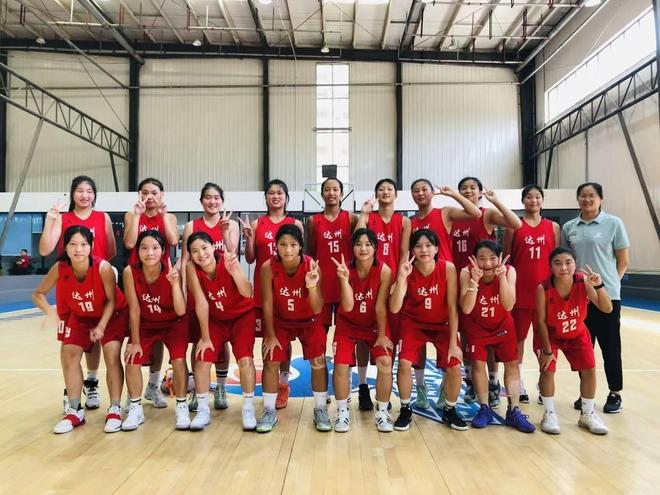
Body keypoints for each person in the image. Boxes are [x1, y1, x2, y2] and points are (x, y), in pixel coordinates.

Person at [32, 226, 127, 434]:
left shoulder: (102, 268)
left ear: (91, 246)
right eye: (73, 244)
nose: (78, 249)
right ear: (65, 247)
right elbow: (38, 294)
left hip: (112, 315)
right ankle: (75, 411)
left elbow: (111, 301)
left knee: (111, 353)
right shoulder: (59, 268)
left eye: (83, 244)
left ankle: (114, 409)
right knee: (69, 353)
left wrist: (101, 326)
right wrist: (51, 313)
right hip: (81, 316)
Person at [38, 175, 117, 411]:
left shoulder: (103, 218)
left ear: (94, 195)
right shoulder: (63, 218)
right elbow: (45, 249)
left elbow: (110, 251)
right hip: (70, 285)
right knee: (70, 342)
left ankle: (91, 382)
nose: (85, 195)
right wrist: (50, 221)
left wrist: (94, 270)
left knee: (95, 336)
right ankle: (71, 389)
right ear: (72, 193)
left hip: (96, 281)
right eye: (80, 190)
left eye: (89, 191)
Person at [409, 179, 481, 408]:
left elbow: (476, 213)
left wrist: (453, 194)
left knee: (449, 334)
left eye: (424, 189)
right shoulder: (410, 222)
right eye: (416, 190)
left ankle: (445, 386)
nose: (420, 193)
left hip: (445, 280)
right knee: (417, 341)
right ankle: (420, 388)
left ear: (432, 192)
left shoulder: (445, 212)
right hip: (419, 283)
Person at [451, 177, 522, 407]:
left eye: (472, 188)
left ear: (480, 192)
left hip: (488, 277)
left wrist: (496, 201)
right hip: (463, 278)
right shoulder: (454, 217)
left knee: (491, 336)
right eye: (463, 188)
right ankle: (472, 382)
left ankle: (492, 382)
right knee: (468, 335)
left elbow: (516, 224)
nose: (468, 191)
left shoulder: (486, 214)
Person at [561, 182, 629, 414]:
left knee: (611, 346)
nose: (587, 199)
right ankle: (586, 393)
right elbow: (565, 261)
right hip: (580, 297)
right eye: (583, 196)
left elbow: (623, 260)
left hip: (606, 294)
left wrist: (610, 284)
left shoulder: (614, 223)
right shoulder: (569, 227)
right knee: (583, 347)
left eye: (591, 196)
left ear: (601, 198)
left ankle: (615, 392)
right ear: (578, 199)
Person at [389, 229, 467, 432]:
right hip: (413, 323)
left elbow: (453, 307)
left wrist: (453, 343)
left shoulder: (448, 268)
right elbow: (395, 308)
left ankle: (450, 410)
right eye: (418, 246)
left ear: (436, 249)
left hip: (442, 324)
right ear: (412, 250)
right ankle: (405, 409)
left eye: (428, 245)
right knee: (404, 363)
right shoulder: (407, 270)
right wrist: (402, 277)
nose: (423, 250)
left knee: (454, 365)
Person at [257, 224, 329, 433]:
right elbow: (267, 303)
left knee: (318, 361)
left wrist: (311, 286)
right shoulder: (268, 267)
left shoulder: (312, 266)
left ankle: (320, 408)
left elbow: (318, 307)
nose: (287, 249)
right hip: (280, 321)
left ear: (300, 246)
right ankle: (269, 410)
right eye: (283, 244)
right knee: (270, 359)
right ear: (276, 246)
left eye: (293, 245)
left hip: (309, 321)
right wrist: (270, 335)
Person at [459, 241, 535, 433]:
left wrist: (501, 279)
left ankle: (514, 410)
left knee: (512, 364)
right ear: (475, 259)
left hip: (502, 325)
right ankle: (484, 408)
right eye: (482, 258)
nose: (487, 264)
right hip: (476, 326)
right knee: (478, 365)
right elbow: (466, 308)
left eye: (492, 258)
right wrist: (474, 282)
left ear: (500, 258)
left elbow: (509, 305)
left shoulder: (509, 271)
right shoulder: (466, 272)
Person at [535, 247, 612, 435]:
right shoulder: (543, 288)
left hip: (577, 334)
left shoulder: (583, 281)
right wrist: (547, 351)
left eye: (568, 262)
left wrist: (599, 286)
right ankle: (549, 413)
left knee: (589, 370)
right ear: (551, 267)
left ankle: (587, 414)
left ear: (575, 264)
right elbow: (541, 322)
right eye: (558, 263)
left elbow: (607, 308)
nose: (563, 267)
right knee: (547, 370)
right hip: (550, 335)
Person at [186, 232, 258, 431]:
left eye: (204, 248)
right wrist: (205, 337)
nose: (201, 254)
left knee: (245, 360)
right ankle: (202, 410)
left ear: (213, 247)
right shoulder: (191, 268)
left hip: (242, 317)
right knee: (202, 359)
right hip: (216, 319)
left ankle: (248, 408)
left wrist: (235, 271)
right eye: (194, 251)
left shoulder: (227, 261)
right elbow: (201, 302)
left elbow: (247, 292)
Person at [241, 179, 304, 410]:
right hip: (263, 290)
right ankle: (269, 382)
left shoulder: (295, 223)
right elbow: (250, 258)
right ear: (266, 197)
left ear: (286, 197)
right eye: (271, 193)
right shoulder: (257, 224)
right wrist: (249, 238)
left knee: (284, 341)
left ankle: (283, 384)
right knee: (267, 339)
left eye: (279, 193)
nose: (275, 196)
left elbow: (301, 258)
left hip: (288, 291)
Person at [122, 230, 190, 431]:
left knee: (179, 360)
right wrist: (135, 342)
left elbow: (181, 310)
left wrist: (174, 284)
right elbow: (134, 309)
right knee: (132, 358)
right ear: (137, 251)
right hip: (146, 324)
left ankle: (182, 406)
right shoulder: (130, 272)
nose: (149, 253)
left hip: (174, 323)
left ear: (163, 251)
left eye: (154, 248)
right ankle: (135, 408)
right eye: (144, 248)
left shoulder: (172, 271)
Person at [181, 183, 238, 412]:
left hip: (224, 290)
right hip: (199, 288)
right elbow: (185, 259)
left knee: (222, 340)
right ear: (201, 201)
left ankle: (221, 388)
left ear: (222, 201)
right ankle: (199, 388)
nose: (212, 201)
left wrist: (225, 233)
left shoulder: (230, 224)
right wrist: (183, 289)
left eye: (216, 197)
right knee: (199, 340)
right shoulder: (191, 226)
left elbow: (233, 253)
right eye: (207, 197)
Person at [123, 178, 179, 409]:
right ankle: (132, 394)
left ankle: (153, 386)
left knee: (158, 336)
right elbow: (129, 244)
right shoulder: (131, 215)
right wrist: (137, 216)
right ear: (139, 195)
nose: (149, 197)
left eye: (154, 192)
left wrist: (164, 216)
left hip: (162, 278)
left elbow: (173, 240)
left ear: (161, 195)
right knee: (137, 331)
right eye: (144, 192)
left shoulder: (169, 217)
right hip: (137, 278)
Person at [356, 178, 411, 409]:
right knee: (362, 334)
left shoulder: (404, 221)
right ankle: (362, 386)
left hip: (394, 285)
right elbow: (357, 238)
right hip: (369, 282)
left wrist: (399, 282)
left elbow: (404, 252)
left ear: (396, 194)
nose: (385, 192)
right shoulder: (369, 218)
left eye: (389, 189)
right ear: (376, 194)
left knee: (390, 337)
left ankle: (384, 389)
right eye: (381, 189)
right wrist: (363, 213)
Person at [332, 228, 394, 432]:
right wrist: (343, 280)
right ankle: (342, 412)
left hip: (374, 325)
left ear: (376, 248)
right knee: (341, 365)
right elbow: (348, 305)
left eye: (368, 244)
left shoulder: (384, 271)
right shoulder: (345, 269)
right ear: (352, 248)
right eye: (358, 244)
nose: (363, 248)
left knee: (385, 362)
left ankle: (382, 412)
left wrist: (382, 335)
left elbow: (381, 306)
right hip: (348, 324)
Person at [503, 185, 559, 403]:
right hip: (520, 293)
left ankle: (544, 383)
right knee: (518, 340)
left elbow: (558, 260)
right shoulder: (513, 227)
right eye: (529, 197)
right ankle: (519, 383)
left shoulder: (553, 227)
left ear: (542, 200)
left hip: (545, 294)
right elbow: (507, 260)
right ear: (523, 201)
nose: (533, 200)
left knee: (545, 341)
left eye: (537, 197)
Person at [306, 178, 358, 404]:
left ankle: (346, 386)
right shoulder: (313, 221)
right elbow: (309, 253)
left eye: (335, 189)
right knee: (320, 339)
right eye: (327, 190)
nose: (331, 193)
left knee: (345, 339)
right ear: (322, 194)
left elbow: (359, 249)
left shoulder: (351, 218)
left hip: (345, 286)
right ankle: (323, 390)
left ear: (342, 193)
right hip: (322, 289)